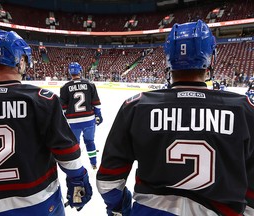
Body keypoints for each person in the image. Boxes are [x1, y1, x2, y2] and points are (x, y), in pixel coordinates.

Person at [96, 19, 254, 216]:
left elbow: (108, 181)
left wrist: (120, 206)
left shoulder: (136, 106)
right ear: (210, 59)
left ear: (169, 59)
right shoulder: (244, 110)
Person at [0, 29, 92, 215]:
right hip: (41, 201)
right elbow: (66, 151)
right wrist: (78, 178)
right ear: (21, 60)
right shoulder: (42, 99)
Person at [60, 62, 103, 170]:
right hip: (89, 120)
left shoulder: (65, 87)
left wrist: (66, 119)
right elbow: (96, 103)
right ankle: (93, 163)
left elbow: (63, 107)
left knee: (75, 144)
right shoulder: (90, 84)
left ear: (70, 72)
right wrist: (98, 115)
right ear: (80, 70)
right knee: (90, 142)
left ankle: (77, 165)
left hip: (73, 122)